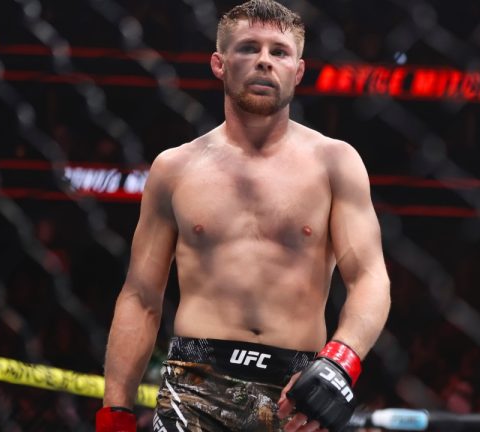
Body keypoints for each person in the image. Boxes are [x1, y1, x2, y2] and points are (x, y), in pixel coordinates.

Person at [97, 1, 391, 431]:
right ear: (219, 63)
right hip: (192, 387)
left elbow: (370, 278)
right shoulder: (175, 168)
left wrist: (340, 361)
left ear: (298, 71)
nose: (264, 61)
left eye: (279, 51)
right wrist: (115, 411)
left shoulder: (335, 163)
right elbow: (141, 297)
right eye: (249, 48)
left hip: (296, 392)